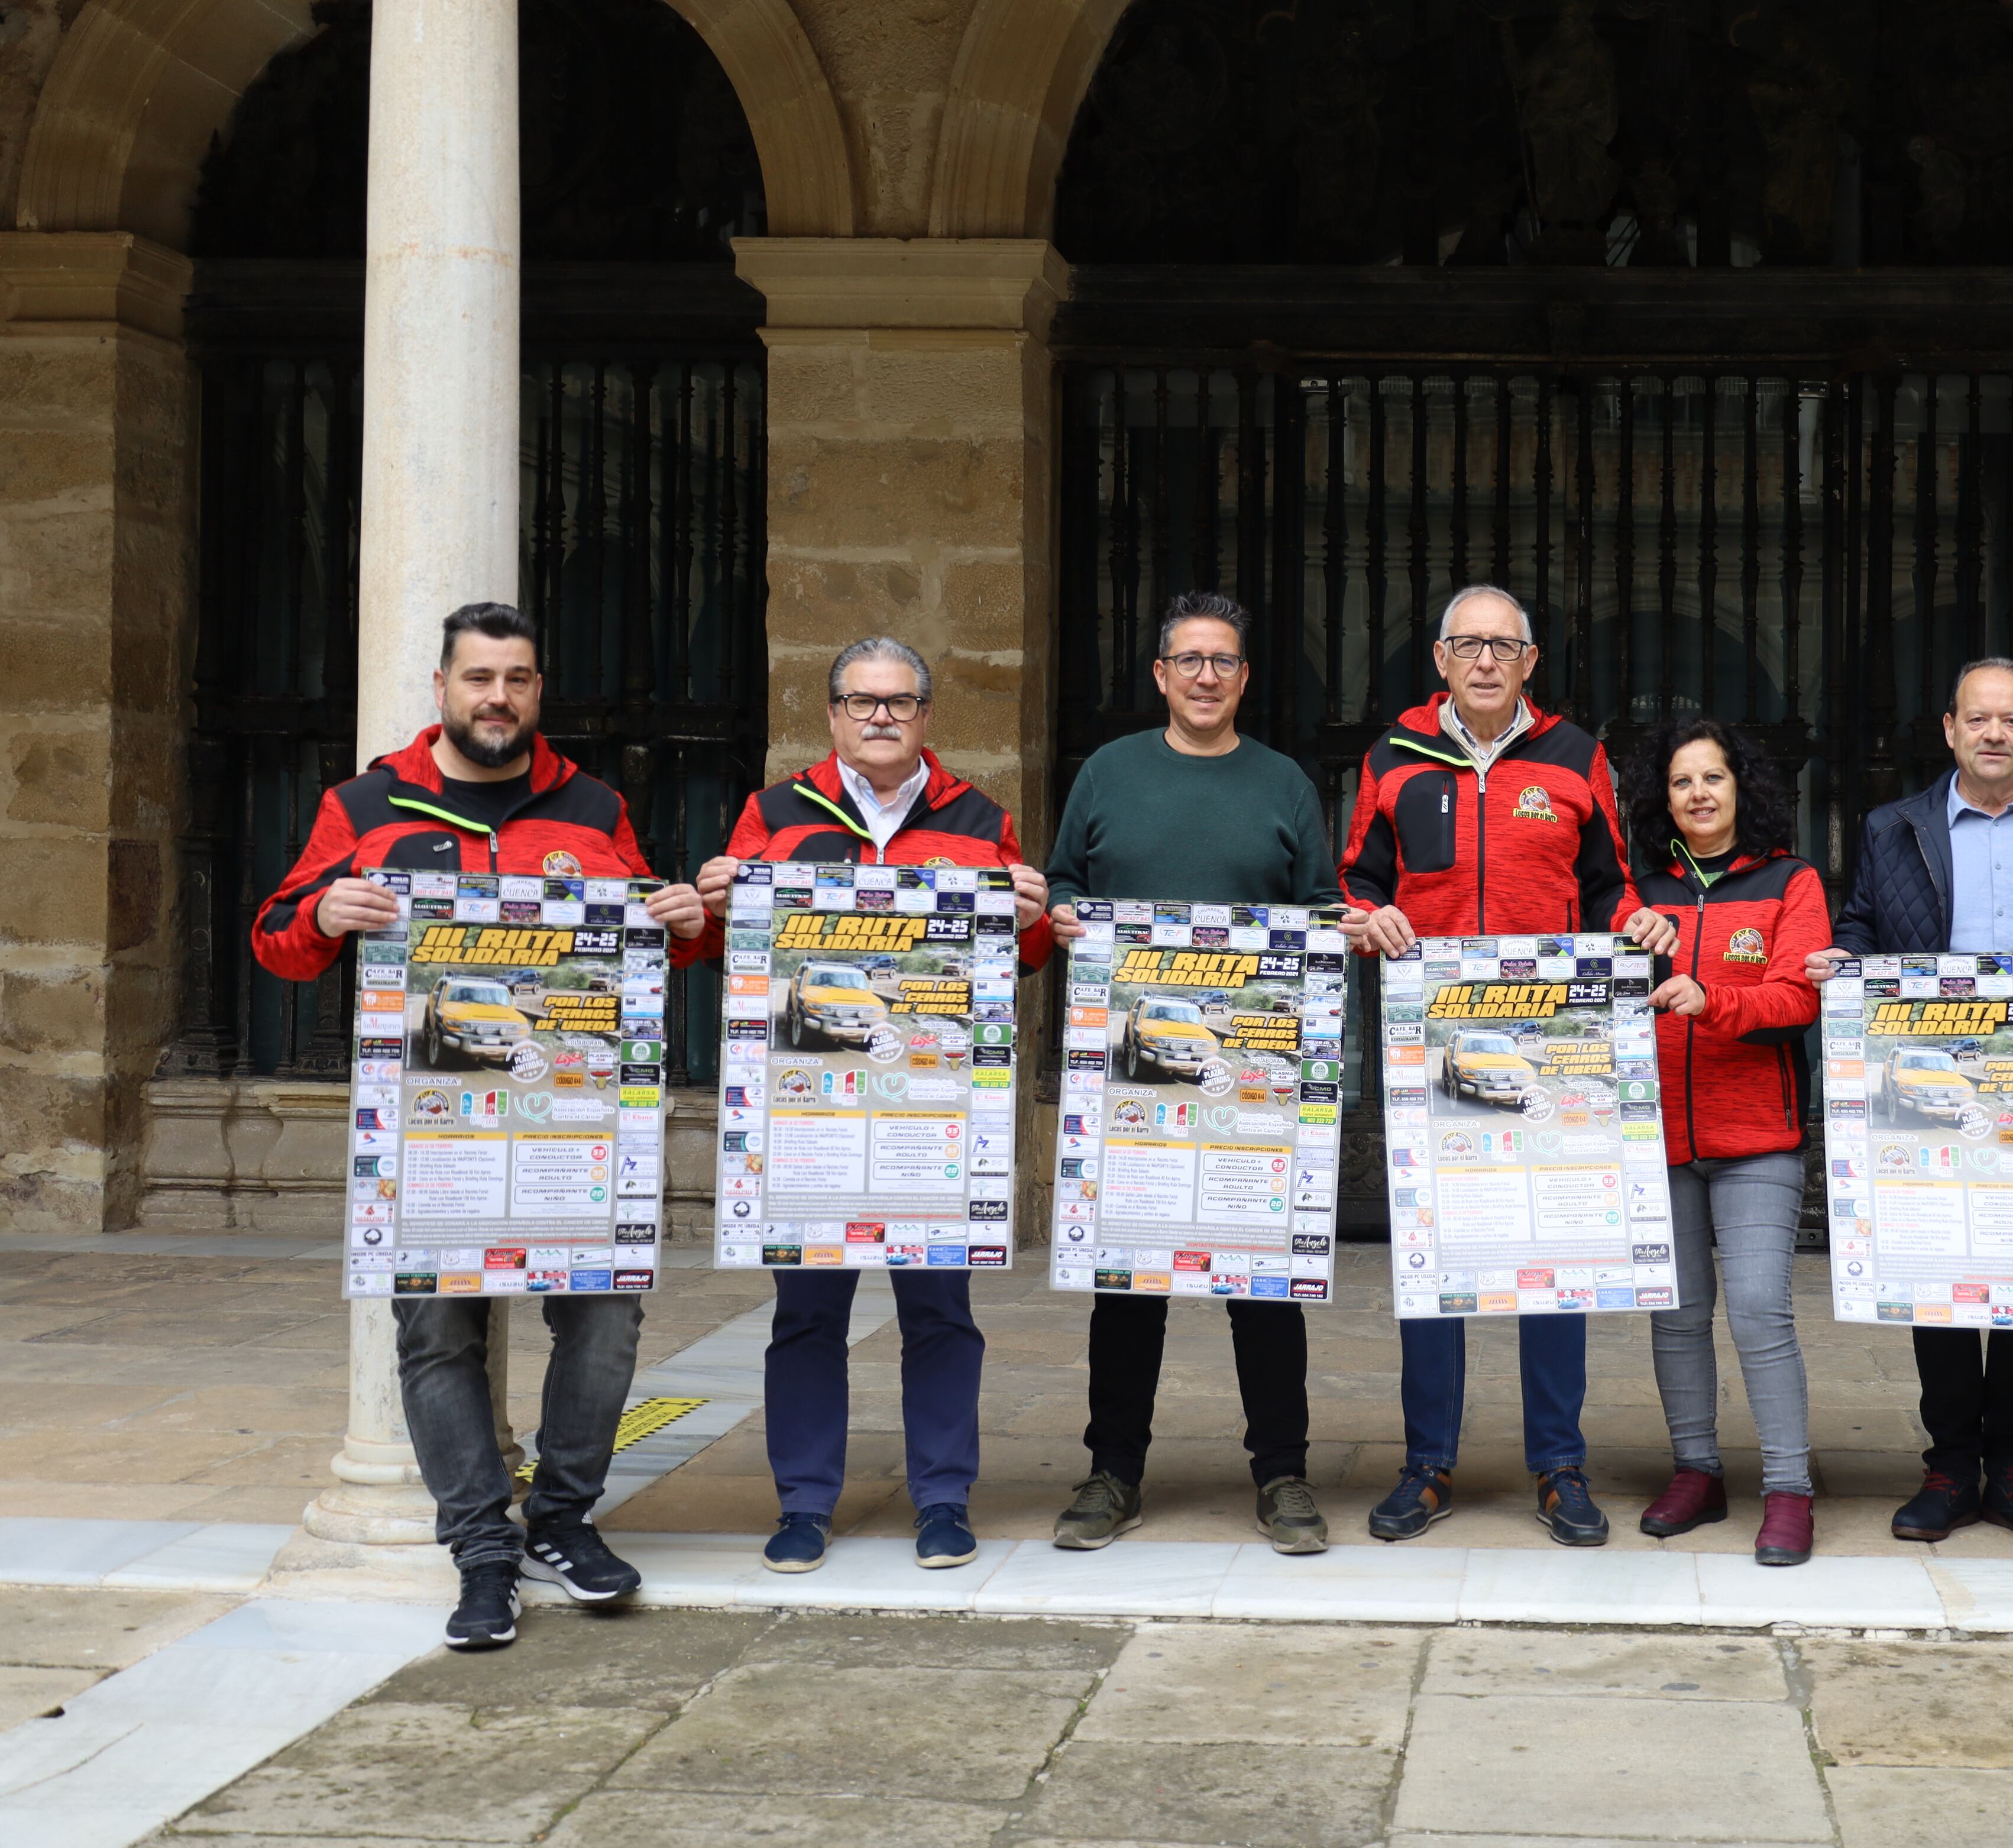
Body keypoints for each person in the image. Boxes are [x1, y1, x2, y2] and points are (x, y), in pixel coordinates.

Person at [253, 602, 710, 1651]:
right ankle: (481, 1550)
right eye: (478, 678)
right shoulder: (365, 805)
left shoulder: (595, 806)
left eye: (516, 678)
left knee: (605, 1315)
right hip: (433, 1130)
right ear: (443, 688)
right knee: (437, 1330)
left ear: (539, 691)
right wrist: (322, 915)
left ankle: (561, 1519)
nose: (496, 696)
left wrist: (688, 925)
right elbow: (277, 936)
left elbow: (651, 937)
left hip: (573, 1124)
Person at [691, 636, 1053, 1578]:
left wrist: (1033, 912)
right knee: (807, 1312)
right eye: (862, 701)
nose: (881, 716)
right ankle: (804, 1504)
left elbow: (1028, 952)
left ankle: (943, 1499)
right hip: (807, 1113)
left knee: (940, 1310)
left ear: (927, 716)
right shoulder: (773, 816)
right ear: (833, 714)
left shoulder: (978, 817)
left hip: (928, 1113)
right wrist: (715, 899)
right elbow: (719, 949)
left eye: (899, 702)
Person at [1341, 584, 1679, 1546]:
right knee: (1431, 1256)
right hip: (1430, 1039)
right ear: (1440, 660)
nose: (1486, 661)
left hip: (1551, 1045)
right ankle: (1427, 1463)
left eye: (1504, 646)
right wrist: (1364, 915)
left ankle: (1559, 1465)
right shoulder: (1393, 757)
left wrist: (1642, 921)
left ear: (1531, 662)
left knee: (1552, 1250)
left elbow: (1610, 884)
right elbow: (1355, 878)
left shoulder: (1578, 759)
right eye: (1467, 645)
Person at [1041, 592, 1342, 1555]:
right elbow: (1065, 887)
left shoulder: (1285, 782)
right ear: (1162, 676)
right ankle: (1112, 1472)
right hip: (1131, 1080)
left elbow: (1324, 909)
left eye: (1224, 660)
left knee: (1266, 1283)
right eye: (1189, 659)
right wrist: (1063, 917)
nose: (1207, 674)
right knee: (1126, 1281)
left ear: (1244, 677)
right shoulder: (1107, 772)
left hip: (1250, 1076)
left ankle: (1283, 1473)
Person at [1817, 657, 2013, 1550]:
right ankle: (1951, 1464)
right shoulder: (1893, 828)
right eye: (1979, 718)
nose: (1995, 732)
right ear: (1950, 729)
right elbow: (1860, 929)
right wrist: (1844, 963)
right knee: (1939, 1273)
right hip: (1928, 1088)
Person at [1626, 716, 1831, 1566]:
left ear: (1744, 787)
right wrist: (1624, 948)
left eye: (1714, 777)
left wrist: (1714, 1000)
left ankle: (1787, 1488)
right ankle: (1696, 1470)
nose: (1699, 793)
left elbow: (1797, 998)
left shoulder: (1792, 882)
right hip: (1660, 1133)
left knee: (1756, 1310)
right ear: (1663, 799)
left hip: (1757, 1137)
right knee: (1676, 1315)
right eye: (1681, 782)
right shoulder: (1639, 893)